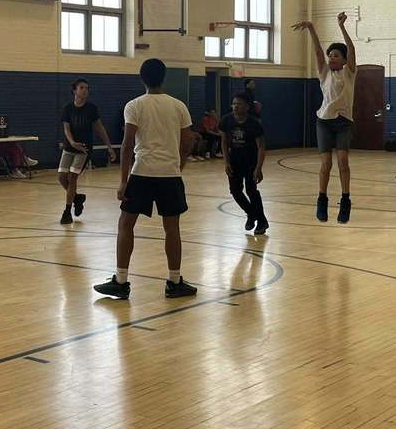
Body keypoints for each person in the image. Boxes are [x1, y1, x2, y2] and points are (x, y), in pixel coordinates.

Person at [94, 58, 198, 300]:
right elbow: (190, 140)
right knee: (172, 228)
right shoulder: (179, 106)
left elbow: (128, 143)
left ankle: (121, 280)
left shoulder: (134, 105)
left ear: (142, 78)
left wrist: (122, 181)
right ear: (164, 78)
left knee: (125, 224)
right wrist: (179, 164)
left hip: (141, 173)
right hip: (170, 175)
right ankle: (174, 281)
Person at [293, 11, 356, 224]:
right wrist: (311, 28)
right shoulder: (324, 73)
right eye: (331, 55)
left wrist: (342, 27)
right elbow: (318, 52)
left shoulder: (349, 73)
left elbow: (353, 50)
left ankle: (345, 201)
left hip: (343, 122)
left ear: (345, 60)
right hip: (324, 122)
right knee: (326, 163)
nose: (331, 58)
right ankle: (322, 199)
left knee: (343, 160)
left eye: (336, 55)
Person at [59, 78, 115, 224]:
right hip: (69, 147)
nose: (85, 90)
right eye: (82, 87)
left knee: (72, 177)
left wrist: (109, 147)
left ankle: (67, 211)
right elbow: (66, 129)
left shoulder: (91, 108)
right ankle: (77, 198)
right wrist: (72, 142)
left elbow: (100, 129)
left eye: (87, 88)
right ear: (74, 91)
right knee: (61, 177)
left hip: (83, 149)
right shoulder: (68, 108)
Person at [221, 93, 268, 235]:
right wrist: (226, 162)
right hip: (234, 161)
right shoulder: (226, 120)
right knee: (235, 191)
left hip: (250, 162)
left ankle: (261, 222)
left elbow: (261, 147)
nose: (235, 106)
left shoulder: (254, 123)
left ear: (247, 107)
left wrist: (258, 168)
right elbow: (223, 142)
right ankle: (251, 213)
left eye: (239, 104)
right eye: (234, 103)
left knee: (251, 191)